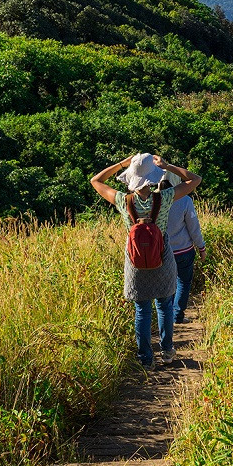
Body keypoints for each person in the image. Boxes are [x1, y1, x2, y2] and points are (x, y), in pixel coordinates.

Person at [90, 152, 202, 368]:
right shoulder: (164, 198)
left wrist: (122, 164)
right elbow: (195, 180)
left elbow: (96, 181)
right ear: (152, 177)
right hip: (162, 257)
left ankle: (146, 359)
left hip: (136, 261)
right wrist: (167, 166)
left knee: (142, 310)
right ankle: (167, 352)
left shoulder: (123, 200)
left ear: (131, 176)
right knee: (164, 305)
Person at [163, 186, 206, 340]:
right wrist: (201, 247)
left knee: (166, 285)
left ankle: (165, 317)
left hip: (162, 252)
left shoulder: (153, 200)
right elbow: (194, 228)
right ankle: (177, 315)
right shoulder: (184, 200)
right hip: (183, 250)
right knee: (183, 281)